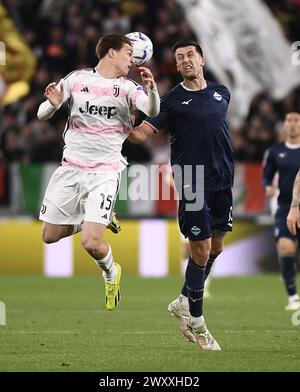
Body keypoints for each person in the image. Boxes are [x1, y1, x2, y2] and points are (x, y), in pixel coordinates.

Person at [37, 34, 160, 311]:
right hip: (70, 169)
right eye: (129, 52)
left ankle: (111, 273)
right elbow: (41, 113)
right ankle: (99, 217)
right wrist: (54, 104)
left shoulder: (128, 88)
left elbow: (151, 109)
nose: (133, 59)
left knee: (91, 243)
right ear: (111, 53)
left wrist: (152, 90)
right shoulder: (77, 79)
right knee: (49, 236)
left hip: (105, 172)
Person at [129, 40, 234, 351]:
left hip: (223, 181)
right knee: (199, 251)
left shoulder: (221, 93)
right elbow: (140, 134)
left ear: (201, 60)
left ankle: (184, 299)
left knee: (215, 248)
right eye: (179, 58)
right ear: (176, 67)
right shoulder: (170, 101)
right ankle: (198, 323)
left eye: (190, 55)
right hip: (190, 181)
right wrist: (118, 120)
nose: (186, 60)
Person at [263, 112, 300, 311]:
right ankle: (293, 297)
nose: (293, 125)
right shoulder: (275, 151)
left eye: (296, 121)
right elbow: (266, 176)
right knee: (287, 249)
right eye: (289, 121)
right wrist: (267, 186)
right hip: (285, 207)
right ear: (284, 125)